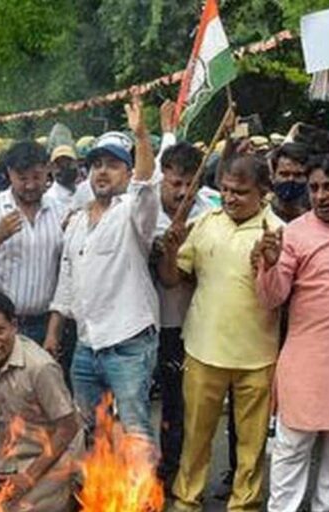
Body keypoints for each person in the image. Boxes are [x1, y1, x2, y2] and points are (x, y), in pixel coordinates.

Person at [157, 154, 282, 512]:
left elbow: (281, 294)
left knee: (251, 441)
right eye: (225, 190)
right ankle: (187, 499)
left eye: (241, 192)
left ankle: (244, 503)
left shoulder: (277, 232)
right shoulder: (205, 223)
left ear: (263, 192)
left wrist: (270, 264)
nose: (229, 198)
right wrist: (169, 251)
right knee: (196, 435)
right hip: (203, 347)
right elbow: (171, 279)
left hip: (257, 353)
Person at [255, 153, 329, 512]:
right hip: (308, 366)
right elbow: (271, 297)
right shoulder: (294, 233)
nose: (321, 196)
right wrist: (270, 264)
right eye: (314, 188)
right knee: (290, 453)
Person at [46, 97, 159, 439]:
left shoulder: (132, 214)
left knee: (134, 428)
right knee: (91, 428)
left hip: (129, 341)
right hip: (86, 343)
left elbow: (146, 189)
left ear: (127, 172)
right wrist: (53, 331)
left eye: (113, 164)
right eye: (97, 165)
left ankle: (140, 494)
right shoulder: (77, 221)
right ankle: (97, 493)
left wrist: (141, 137)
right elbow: (67, 280)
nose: (103, 171)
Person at [0, 292, 82, 512]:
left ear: (14, 326)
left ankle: (68, 491)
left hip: (49, 454)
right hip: (9, 444)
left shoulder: (40, 367)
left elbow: (68, 428)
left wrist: (28, 478)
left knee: (16, 508)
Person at [0, 141, 68, 343]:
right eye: (22, 178)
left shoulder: (60, 212)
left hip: (44, 326)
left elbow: (66, 273)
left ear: (48, 171)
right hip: (0, 328)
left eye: (37, 177)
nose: (30, 185)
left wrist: (55, 330)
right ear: (10, 174)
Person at [150, 139, 206, 490]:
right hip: (142, 324)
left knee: (178, 405)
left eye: (189, 184)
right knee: (134, 403)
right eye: (175, 184)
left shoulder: (210, 213)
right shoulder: (141, 211)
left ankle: (175, 470)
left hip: (187, 327)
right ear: (162, 179)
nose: (182, 192)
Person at [269, 142, 310, 222]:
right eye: (284, 174)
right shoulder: (262, 213)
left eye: (298, 175)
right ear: (273, 177)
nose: (291, 180)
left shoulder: (317, 216)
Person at [44, 144, 80, 211]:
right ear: (52, 168)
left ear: (76, 164)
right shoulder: (50, 199)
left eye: (68, 164)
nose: (65, 170)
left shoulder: (84, 191)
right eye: (59, 165)